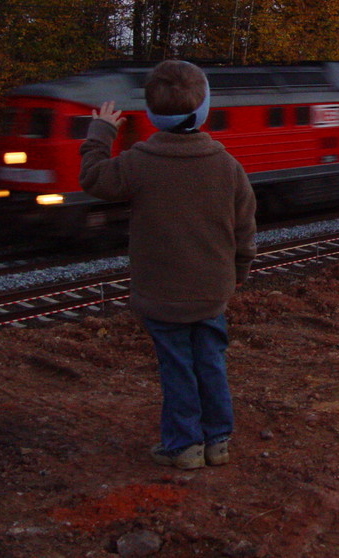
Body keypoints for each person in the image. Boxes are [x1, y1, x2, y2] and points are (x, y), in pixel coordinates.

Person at [79, 59, 257, 470]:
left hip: (160, 294)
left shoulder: (139, 162)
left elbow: (93, 177)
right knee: (210, 362)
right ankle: (218, 441)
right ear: (204, 108)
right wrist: (238, 274)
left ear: (152, 114)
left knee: (177, 368)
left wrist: (102, 131)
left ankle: (183, 445)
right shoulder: (227, 166)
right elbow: (244, 229)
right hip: (212, 291)